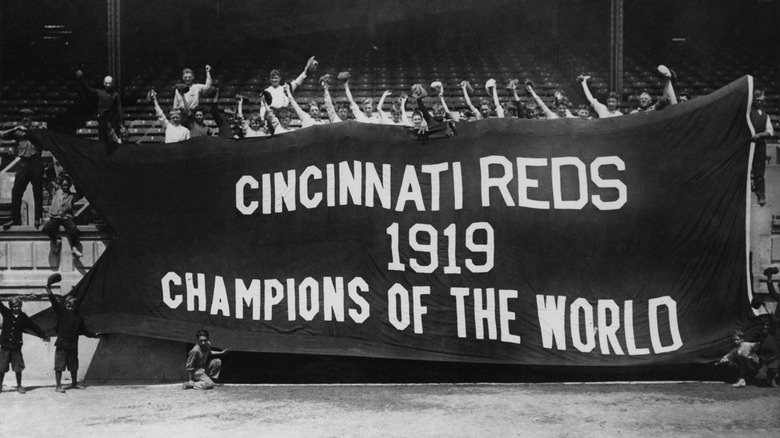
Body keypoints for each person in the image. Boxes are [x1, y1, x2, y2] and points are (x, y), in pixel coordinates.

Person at [44, 285, 101, 393]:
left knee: (74, 366)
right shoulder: (62, 313)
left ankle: (74, 383)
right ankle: (58, 386)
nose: (69, 308)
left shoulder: (78, 317)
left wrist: (94, 335)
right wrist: (49, 293)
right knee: (59, 366)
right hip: (61, 345)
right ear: (65, 305)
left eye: (72, 306)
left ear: (75, 306)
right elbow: (55, 304)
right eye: (68, 306)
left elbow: (84, 330)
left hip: (73, 345)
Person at [1, 108, 45, 229]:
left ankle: (38, 217)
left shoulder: (38, 130)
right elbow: (3, 136)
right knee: (16, 191)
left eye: (27, 116)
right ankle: (16, 219)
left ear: (31, 118)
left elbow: (41, 140)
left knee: (37, 190)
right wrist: (15, 128)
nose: (25, 119)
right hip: (24, 162)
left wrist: (29, 131)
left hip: (36, 161)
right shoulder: (19, 132)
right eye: (23, 117)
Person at [0, 297, 49, 394]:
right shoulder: (6, 313)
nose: (16, 308)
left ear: (21, 306)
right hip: (5, 346)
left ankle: (19, 386)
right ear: (10, 307)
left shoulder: (23, 317)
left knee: (18, 367)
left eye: (18, 306)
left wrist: (43, 335)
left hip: (16, 347)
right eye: (14, 307)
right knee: (1, 367)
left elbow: (33, 326)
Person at [75, 70, 125, 143]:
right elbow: (88, 90)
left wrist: (121, 123)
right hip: (103, 122)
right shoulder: (99, 92)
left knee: (114, 142)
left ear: (112, 84)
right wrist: (82, 81)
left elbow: (119, 109)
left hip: (113, 122)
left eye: (110, 83)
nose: (108, 85)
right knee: (102, 142)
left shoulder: (116, 95)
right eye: (106, 83)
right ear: (104, 83)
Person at [42, 174, 84, 258]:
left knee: (73, 229)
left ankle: (74, 247)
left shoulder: (72, 196)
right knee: (46, 228)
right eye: (64, 185)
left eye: (67, 185)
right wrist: (46, 175)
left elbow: (81, 194)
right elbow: (46, 184)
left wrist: (76, 182)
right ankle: (56, 240)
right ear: (61, 185)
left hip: (66, 217)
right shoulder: (55, 192)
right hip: (55, 217)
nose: (66, 187)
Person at [750, 89, 774, 206]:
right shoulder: (748, 113)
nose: (759, 102)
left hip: (760, 146)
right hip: (748, 145)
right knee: (746, 170)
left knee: (759, 171)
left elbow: (770, 131)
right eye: (757, 100)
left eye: (761, 101)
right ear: (753, 99)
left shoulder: (765, 115)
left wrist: (760, 135)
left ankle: (761, 194)